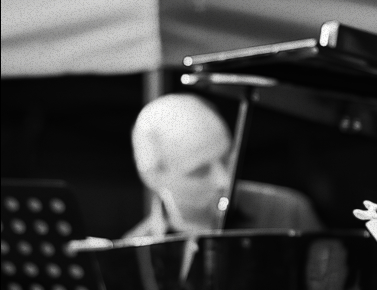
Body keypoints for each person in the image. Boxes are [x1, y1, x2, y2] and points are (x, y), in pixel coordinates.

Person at [125, 93, 322, 237]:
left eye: (227, 159)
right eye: (200, 171)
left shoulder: (289, 214)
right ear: (151, 177)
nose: (224, 180)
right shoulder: (133, 254)